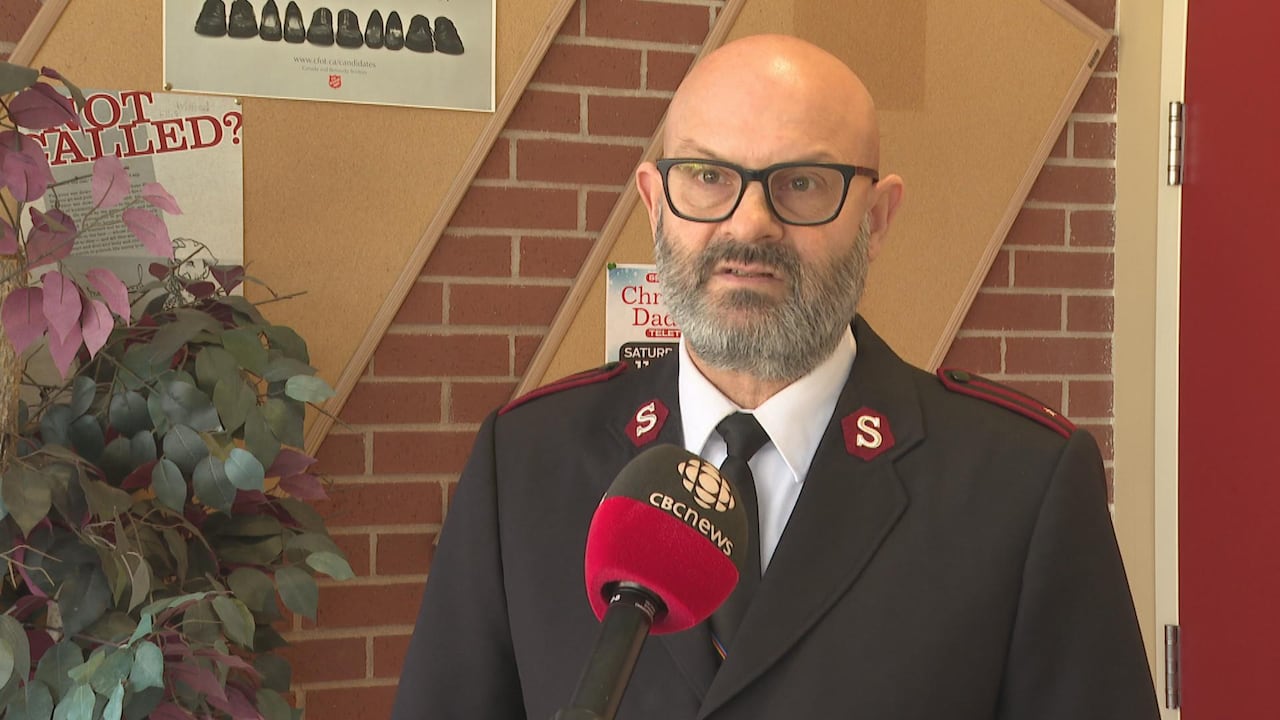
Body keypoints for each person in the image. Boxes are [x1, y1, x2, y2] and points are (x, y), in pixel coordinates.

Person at [390, 34, 1160, 719]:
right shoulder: (524, 463)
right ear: (655, 203)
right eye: (706, 176)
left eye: (802, 183)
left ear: (878, 217)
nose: (749, 224)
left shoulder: (1020, 485)